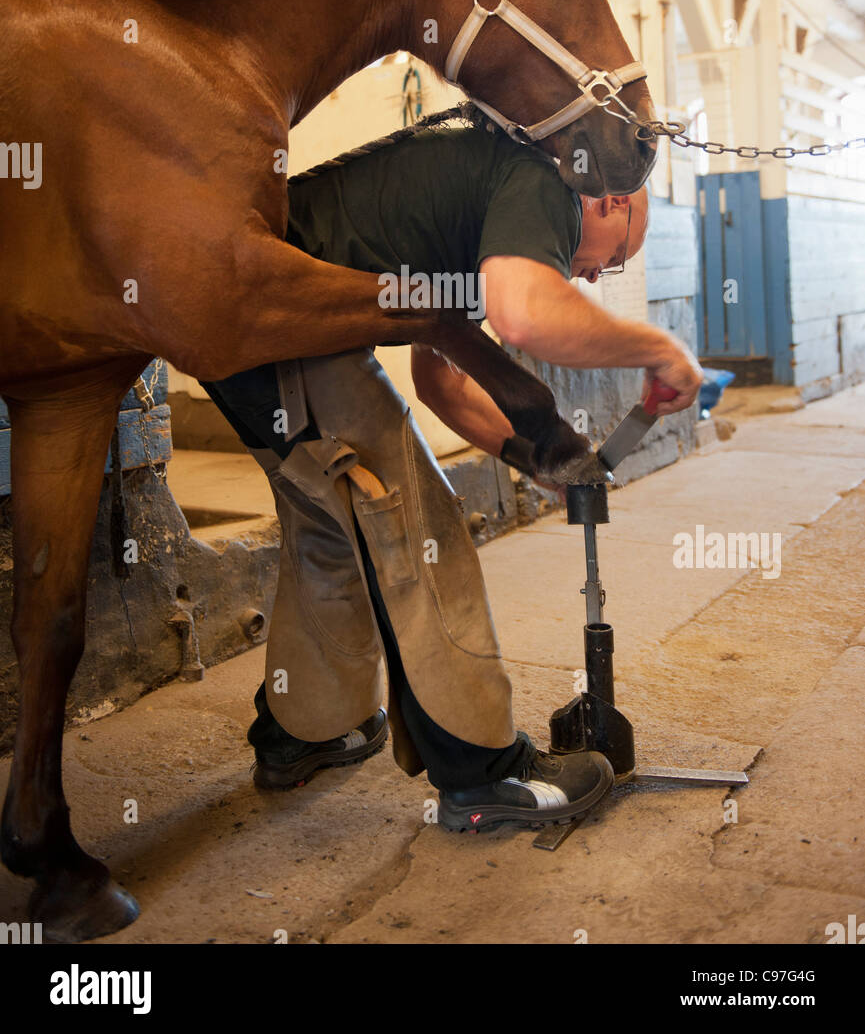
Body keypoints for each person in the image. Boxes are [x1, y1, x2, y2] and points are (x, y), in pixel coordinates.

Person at [203, 107, 702, 833]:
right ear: (611, 200)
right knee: (415, 531)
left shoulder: (485, 212)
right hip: (292, 320)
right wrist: (660, 348)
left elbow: (441, 381)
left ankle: (304, 728)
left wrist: (529, 457)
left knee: (331, 534)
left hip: (242, 314)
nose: (593, 274)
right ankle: (481, 773)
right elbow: (528, 320)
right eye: (611, 258)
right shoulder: (546, 185)